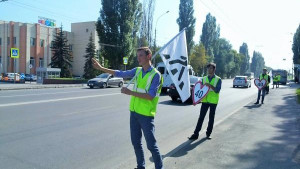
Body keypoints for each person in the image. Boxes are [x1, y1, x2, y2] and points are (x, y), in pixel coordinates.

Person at [92, 47, 164, 169]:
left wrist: (130, 93)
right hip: (134, 113)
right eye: (138, 56)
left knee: (151, 145)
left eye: (141, 55)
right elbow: (120, 73)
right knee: (136, 143)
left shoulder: (156, 75)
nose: (138, 58)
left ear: (148, 56)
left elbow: (150, 96)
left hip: (146, 116)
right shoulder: (138, 71)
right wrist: (101, 68)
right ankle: (140, 166)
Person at [188, 63, 222, 140]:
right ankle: (195, 134)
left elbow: (217, 90)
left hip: (213, 101)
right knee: (201, 118)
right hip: (205, 101)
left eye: (210, 68)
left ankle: (208, 134)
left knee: (211, 118)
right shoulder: (204, 79)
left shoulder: (218, 79)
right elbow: (199, 90)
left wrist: (210, 85)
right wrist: (195, 101)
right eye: (208, 68)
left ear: (214, 69)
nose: (209, 70)